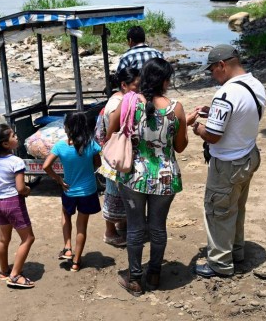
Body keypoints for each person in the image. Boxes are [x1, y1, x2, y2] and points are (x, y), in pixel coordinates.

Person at [108, 59, 193, 296]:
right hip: (165, 178)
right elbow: (180, 147)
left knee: (135, 229)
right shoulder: (176, 108)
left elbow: (111, 131)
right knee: (158, 228)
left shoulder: (130, 102)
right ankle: (154, 274)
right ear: (165, 81)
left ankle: (135, 279)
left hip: (133, 176)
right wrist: (183, 126)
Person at [192, 44, 266, 278]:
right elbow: (241, 115)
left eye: (212, 70)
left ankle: (220, 263)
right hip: (248, 155)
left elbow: (213, 135)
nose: (212, 75)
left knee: (218, 210)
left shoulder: (226, 93)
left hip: (227, 163)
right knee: (236, 207)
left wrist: (197, 127)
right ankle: (236, 250)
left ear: (222, 65)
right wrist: (212, 111)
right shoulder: (255, 84)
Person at [43, 112, 102, 272]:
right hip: (88, 191)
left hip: (69, 190)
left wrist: (59, 180)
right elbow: (98, 163)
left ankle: (68, 247)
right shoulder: (91, 145)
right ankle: (76, 263)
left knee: (65, 215)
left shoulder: (60, 146)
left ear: (66, 128)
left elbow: (46, 166)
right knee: (82, 226)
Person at [0, 124, 36, 288]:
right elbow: (20, 188)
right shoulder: (16, 162)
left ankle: (4, 271)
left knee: (3, 239)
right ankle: (15, 275)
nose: (16, 137)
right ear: (6, 144)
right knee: (28, 238)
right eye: (13, 136)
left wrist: (2, 187)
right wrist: (28, 190)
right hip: (14, 202)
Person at [95, 67, 141, 247]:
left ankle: (122, 224)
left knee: (120, 192)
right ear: (124, 85)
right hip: (116, 155)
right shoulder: (117, 104)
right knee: (114, 193)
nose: (139, 89)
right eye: (136, 85)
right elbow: (113, 130)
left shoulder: (119, 100)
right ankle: (110, 231)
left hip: (115, 153)